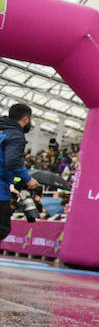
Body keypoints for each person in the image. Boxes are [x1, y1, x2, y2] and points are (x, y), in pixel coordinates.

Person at [0, 103, 39, 241]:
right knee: (2, 228)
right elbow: (12, 161)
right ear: (26, 119)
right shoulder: (15, 134)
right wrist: (28, 179)